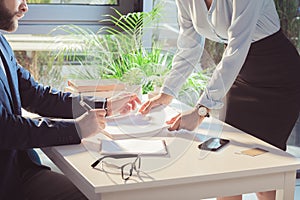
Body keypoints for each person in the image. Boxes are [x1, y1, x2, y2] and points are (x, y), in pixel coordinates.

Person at [139, 0, 300, 200]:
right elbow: (189, 46)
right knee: (226, 169)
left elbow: (237, 48)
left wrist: (201, 110)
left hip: (278, 79)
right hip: (239, 77)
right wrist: (168, 92)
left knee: (265, 176)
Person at [0, 0, 141, 199]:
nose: (25, 7)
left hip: (21, 170)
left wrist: (105, 105)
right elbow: (5, 129)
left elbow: (37, 96)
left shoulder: (1, 43)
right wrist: (76, 128)